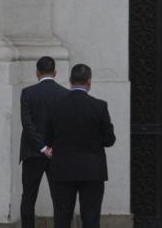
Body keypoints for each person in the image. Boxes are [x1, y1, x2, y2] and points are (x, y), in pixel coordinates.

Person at [45, 64, 116, 228]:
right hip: (92, 170)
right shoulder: (99, 106)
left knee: (62, 217)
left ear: (70, 81)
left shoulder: (56, 106)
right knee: (91, 218)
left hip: (63, 169)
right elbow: (109, 140)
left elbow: (48, 139)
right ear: (89, 82)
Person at [19, 56, 68, 228]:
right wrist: (52, 147)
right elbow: (65, 126)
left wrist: (42, 147)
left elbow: (27, 124)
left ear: (37, 72)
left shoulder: (28, 93)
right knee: (60, 199)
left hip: (33, 153)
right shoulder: (65, 94)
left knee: (28, 198)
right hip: (57, 154)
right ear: (55, 72)